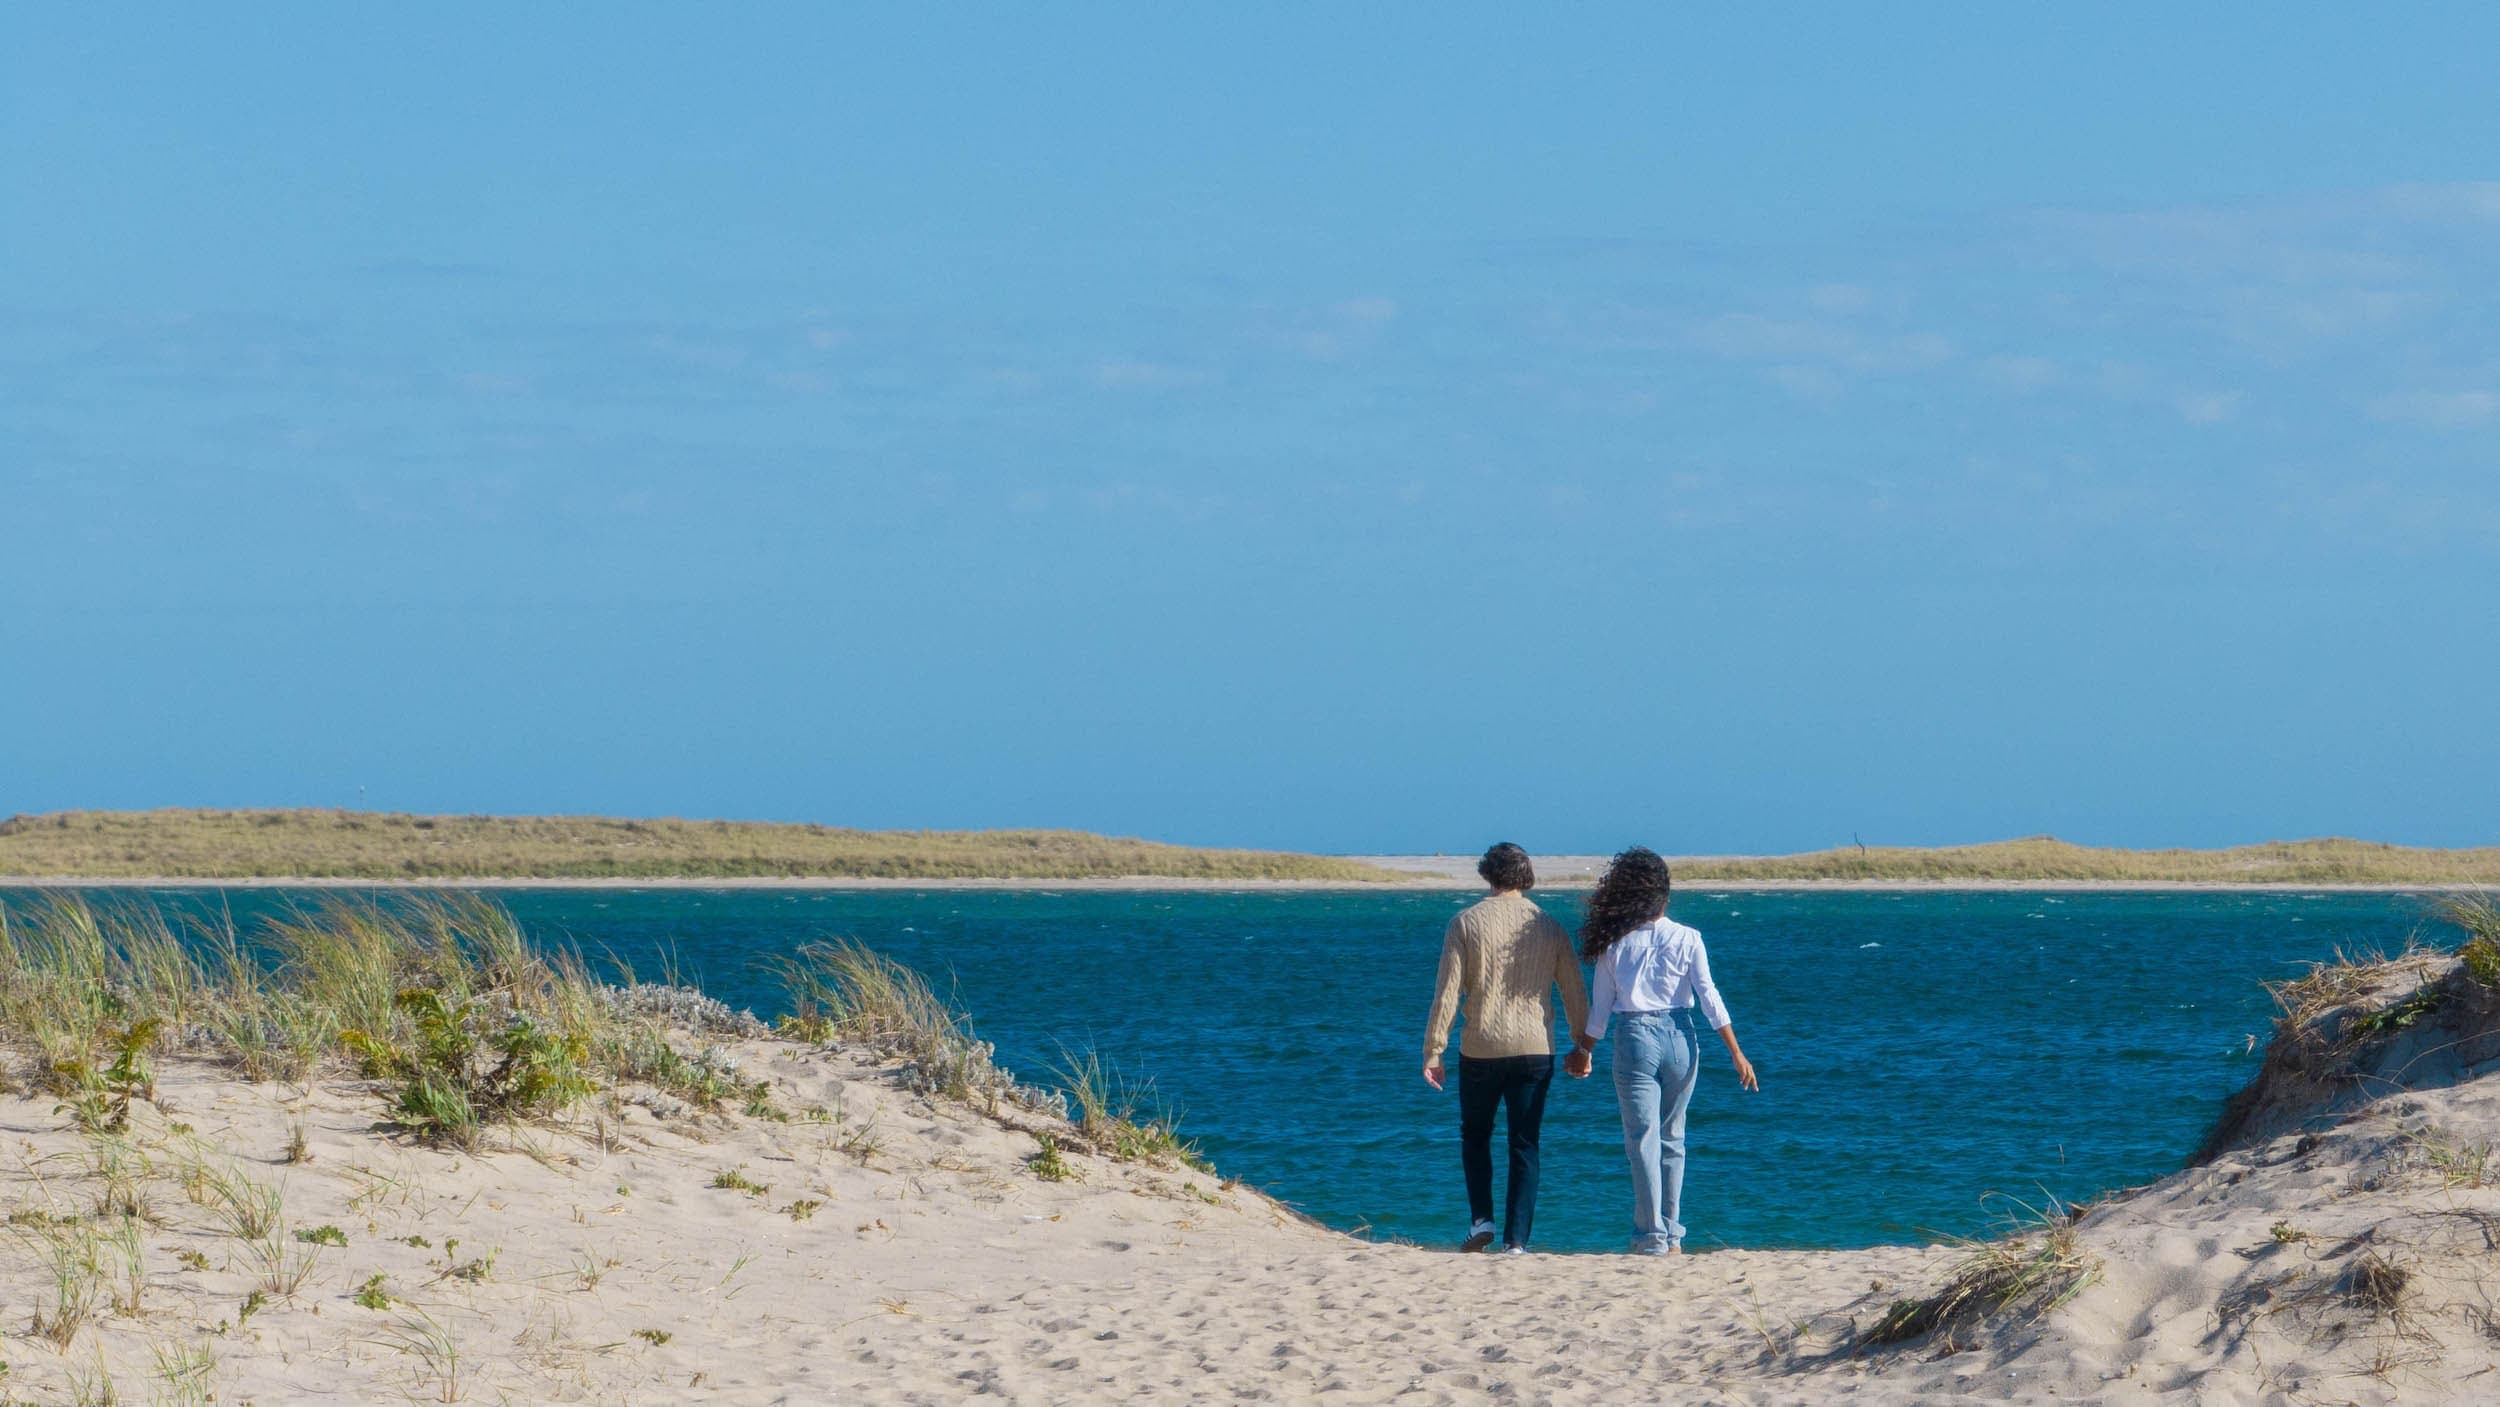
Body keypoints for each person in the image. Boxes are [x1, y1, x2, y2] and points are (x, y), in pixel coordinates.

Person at [1571, 846, 1758, 1255]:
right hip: (1681, 1035)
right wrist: (1735, 1051)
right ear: (1665, 897)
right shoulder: (1689, 937)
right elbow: (1709, 996)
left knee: (1642, 1139)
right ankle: (1672, 1233)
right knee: (1674, 1137)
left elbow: (1600, 1008)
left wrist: (1584, 1050)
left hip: (1635, 1036)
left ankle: (1650, 1235)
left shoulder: (1615, 944)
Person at [1421, 842, 1591, 1253]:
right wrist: (1581, 1044)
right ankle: (1517, 1241)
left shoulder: (1465, 922)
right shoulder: (1548, 926)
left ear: (1488, 875)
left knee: (1475, 1135)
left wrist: (1433, 1049)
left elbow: (1447, 992)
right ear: (1525, 876)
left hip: (1480, 1046)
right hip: (1535, 1048)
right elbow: (1573, 990)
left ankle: (1482, 1220)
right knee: (1525, 1141)